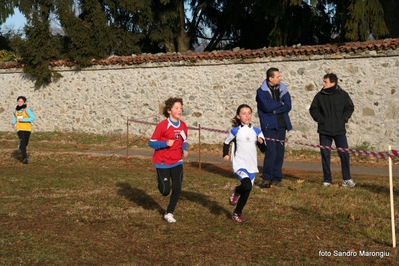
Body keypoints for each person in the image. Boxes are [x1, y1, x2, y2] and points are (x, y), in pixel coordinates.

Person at [309, 73, 356, 187]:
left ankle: (347, 179)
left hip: (339, 130)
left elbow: (349, 107)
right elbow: (313, 109)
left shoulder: (343, 95)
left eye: (325, 82)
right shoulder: (319, 96)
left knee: (344, 154)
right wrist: (321, 120)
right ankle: (327, 180)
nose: (323, 84)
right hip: (324, 131)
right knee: (325, 155)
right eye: (323, 81)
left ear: (332, 83)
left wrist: (344, 119)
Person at [223, 104, 266, 222]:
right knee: (246, 185)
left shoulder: (257, 131)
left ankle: (237, 213)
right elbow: (226, 142)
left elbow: (264, 149)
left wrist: (261, 143)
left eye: (249, 113)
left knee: (247, 191)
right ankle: (237, 191)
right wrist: (225, 154)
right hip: (239, 164)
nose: (247, 116)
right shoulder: (235, 131)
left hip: (252, 165)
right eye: (244, 113)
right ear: (238, 116)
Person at [148, 97, 188, 223]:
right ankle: (160, 180)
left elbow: (183, 141)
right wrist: (165, 143)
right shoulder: (162, 126)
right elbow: (152, 142)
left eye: (181, 108)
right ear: (169, 110)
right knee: (165, 191)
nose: (179, 110)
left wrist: (184, 149)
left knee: (177, 188)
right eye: (176, 108)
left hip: (177, 161)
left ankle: (169, 212)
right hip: (162, 162)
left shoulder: (183, 126)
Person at [256, 67, 292, 188]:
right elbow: (266, 107)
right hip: (269, 126)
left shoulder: (283, 89)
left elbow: (288, 106)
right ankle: (266, 178)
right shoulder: (261, 92)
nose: (280, 78)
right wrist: (279, 104)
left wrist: (275, 109)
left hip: (282, 125)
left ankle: (277, 178)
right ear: (270, 78)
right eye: (277, 76)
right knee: (271, 152)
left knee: (279, 153)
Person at [11, 96, 35, 164]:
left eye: (21, 101)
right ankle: (25, 158)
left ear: (24, 102)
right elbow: (15, 118)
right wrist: (13, 123)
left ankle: (20, 146)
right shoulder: (14, 111)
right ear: (17, 102)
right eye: (19, 101)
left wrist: (23, 119)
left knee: (26, 143)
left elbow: (32, 118)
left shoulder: (27, 110)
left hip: (27, 129)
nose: (20, 102)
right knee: (23, 142)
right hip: (19, 128)